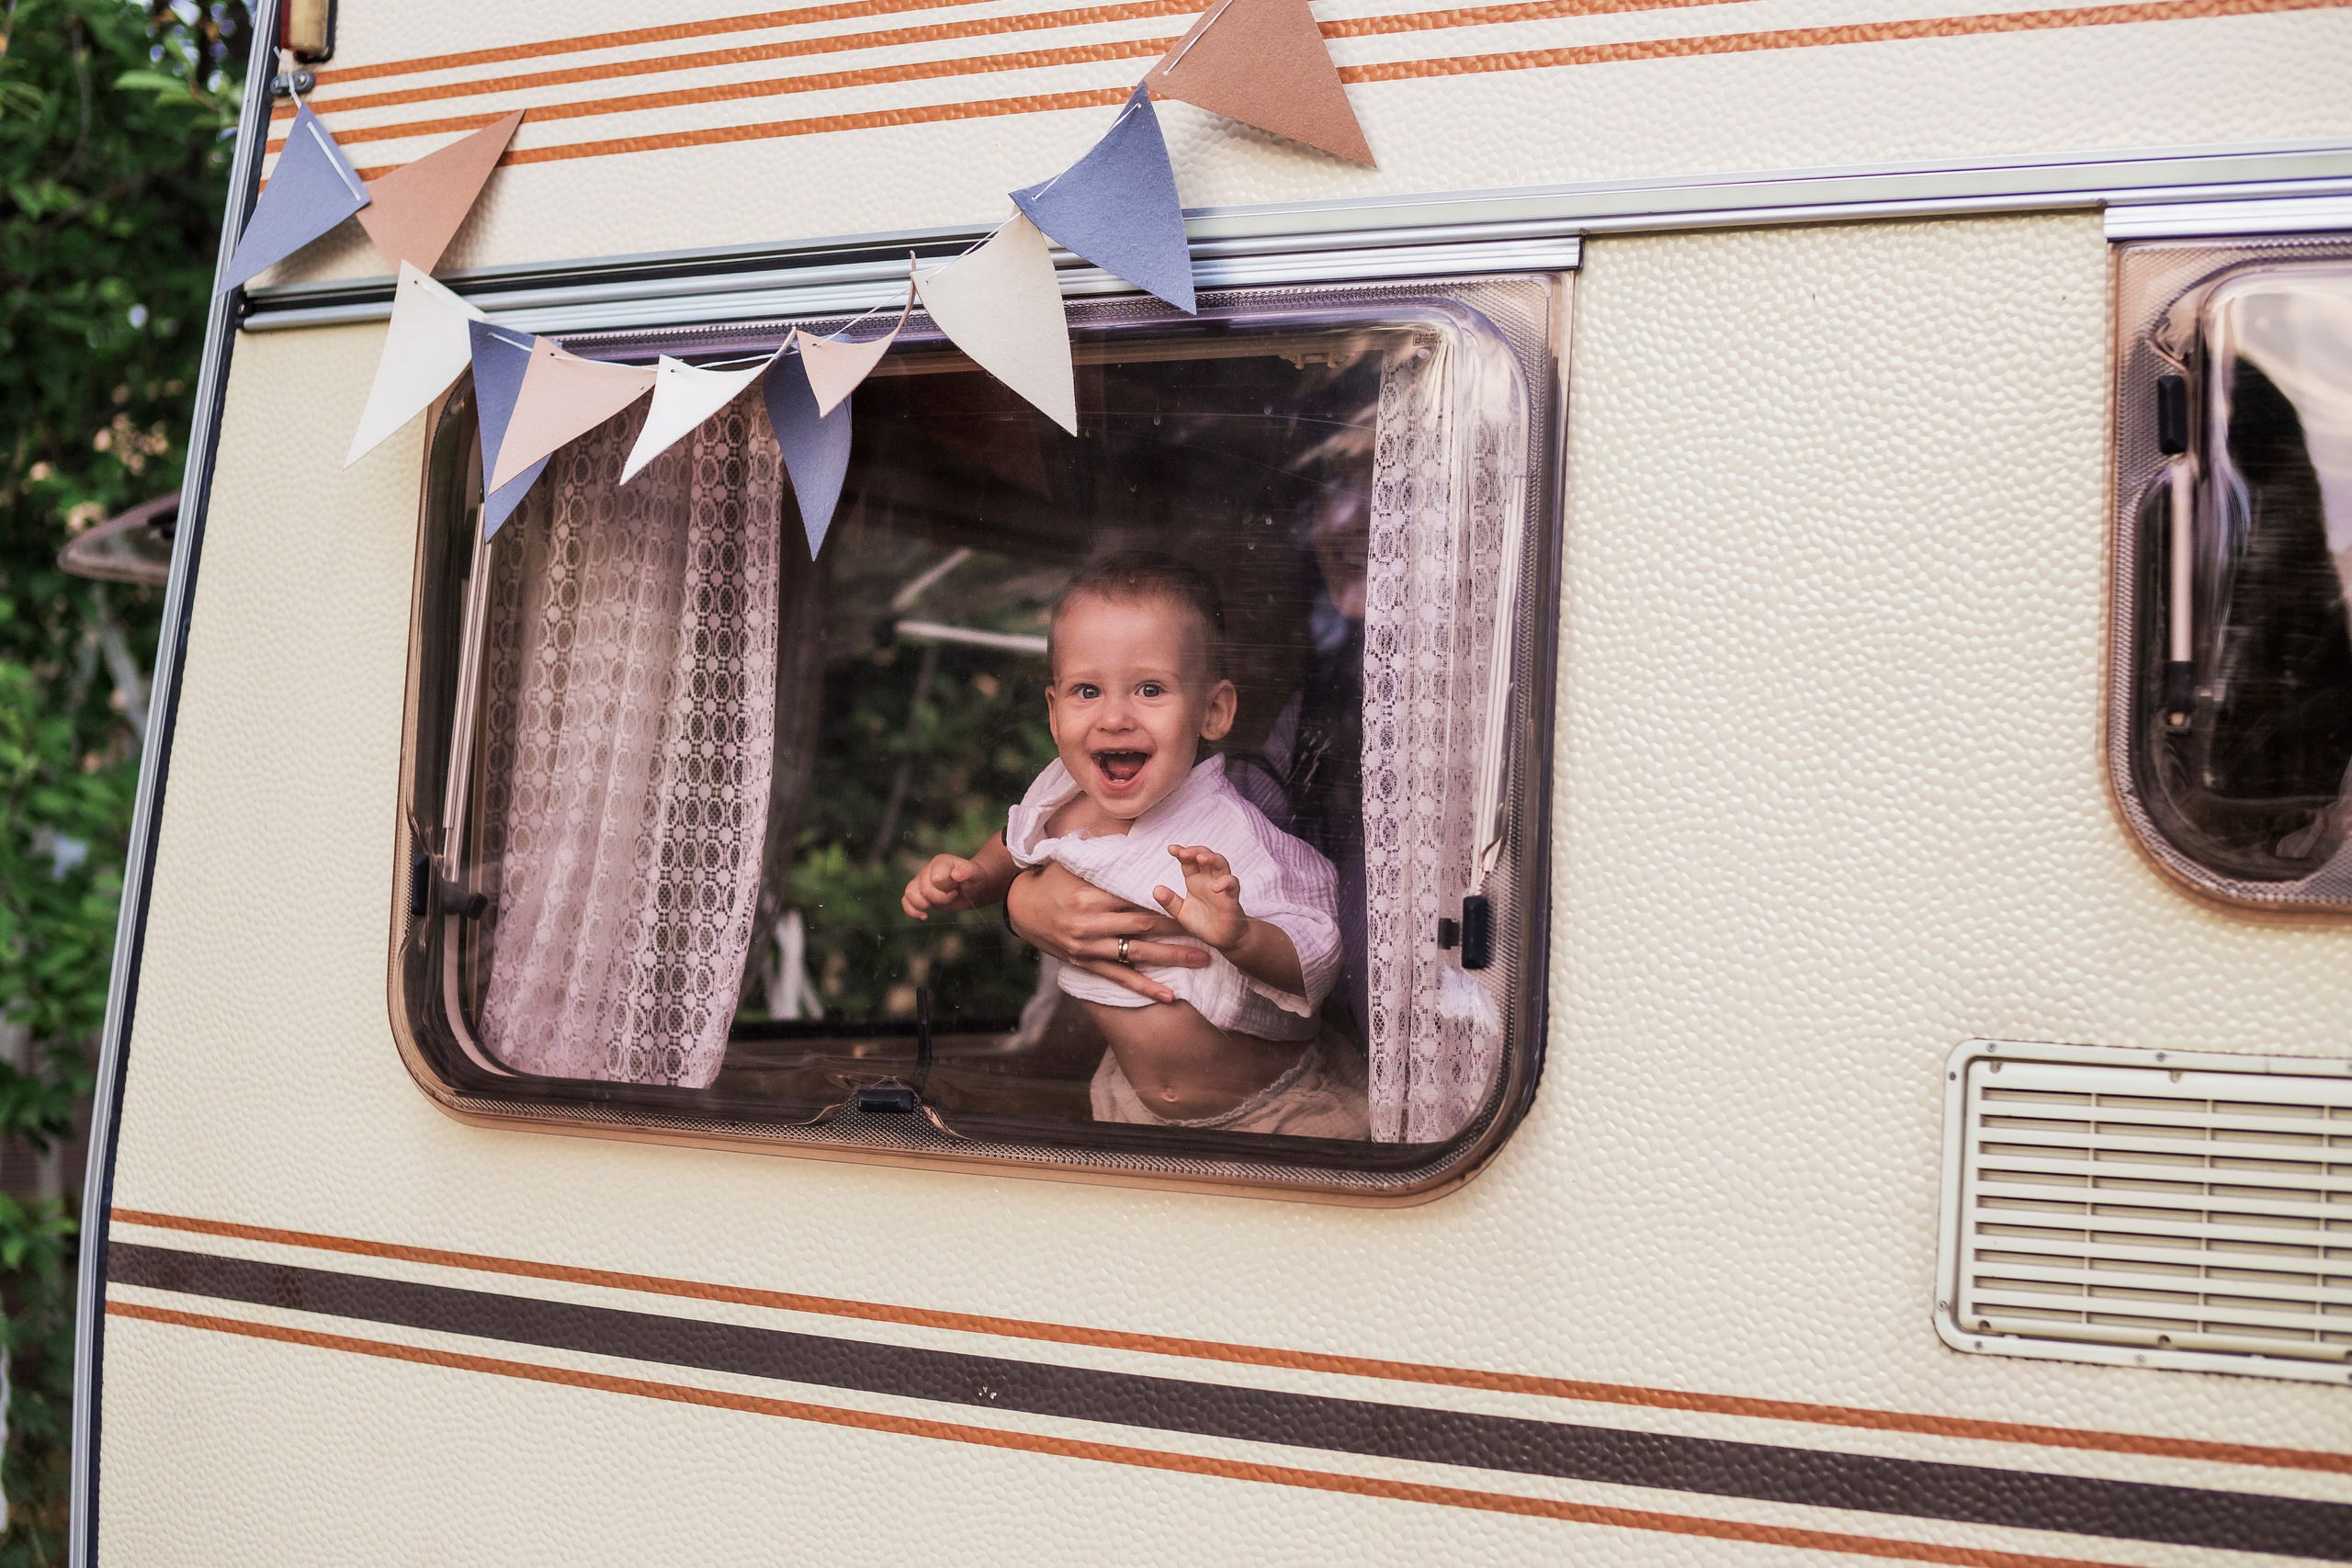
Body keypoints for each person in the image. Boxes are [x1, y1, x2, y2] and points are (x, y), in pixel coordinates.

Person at [901, 554, 1368, 1136]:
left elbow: (1317, 958)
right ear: (1053, 712)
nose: (1114, 717)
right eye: (1087, 691)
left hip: (1278, 1111)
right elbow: (1013, 844)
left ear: (1213, 711)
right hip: (1131, 1106)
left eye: (1150, 689)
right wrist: (970, 879)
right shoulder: (1060, 797)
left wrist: (1245, 937)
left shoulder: (1227, 835)